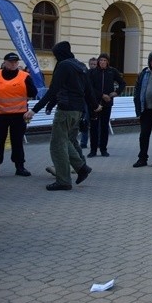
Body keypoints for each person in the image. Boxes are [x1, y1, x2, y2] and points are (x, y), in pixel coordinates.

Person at [25, 42, 99, 191]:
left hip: (65, 110)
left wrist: (34, 110)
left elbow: (53, 90)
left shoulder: (63, 66)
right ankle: (81, 167)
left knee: (57, 145)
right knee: (65, 140)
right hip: (78, 110)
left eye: (55, 54)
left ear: (59, 54)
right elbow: (89, 90)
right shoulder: (80, 66)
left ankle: (64, 180)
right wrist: (95, 106)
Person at [0, 52, 38, 179]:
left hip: (18, 115)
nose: (13, 64)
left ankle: (20, 167)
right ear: (4, 62)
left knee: (17, 142)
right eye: (10, 62)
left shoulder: (25, 76)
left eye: (15, 62)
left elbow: (33, 92)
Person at [87, 53, 125, 158]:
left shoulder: (112, 72)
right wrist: (102, 95)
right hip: (94, 103)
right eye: (101, 60)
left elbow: (122, 83)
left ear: (107, 62)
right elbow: (89, 87)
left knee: (104, 127)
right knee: (94, 127)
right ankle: (93, 150)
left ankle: (103, 149)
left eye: (104, 60)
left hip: (107, 104)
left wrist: (116, 92)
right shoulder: (92, 72)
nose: (102, 62)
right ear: (98, 62)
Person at [80, 57, 98, 148]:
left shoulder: (99, 74)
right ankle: (83, 142)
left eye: (94, 64)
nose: (93, 66)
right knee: (85, 121)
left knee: (96, 123)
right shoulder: (85, 74)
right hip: (86, 101)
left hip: (96, 101)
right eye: (91, 64)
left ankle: (97, 142)